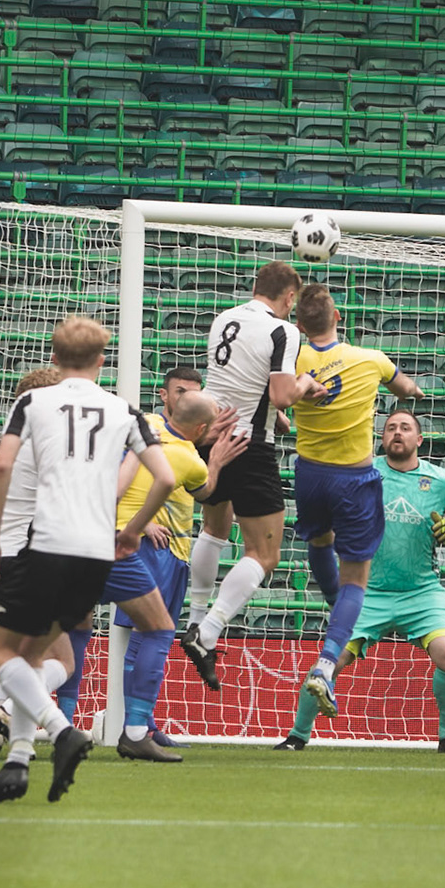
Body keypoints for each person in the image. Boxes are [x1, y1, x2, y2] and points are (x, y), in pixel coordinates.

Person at [0, 315, 176, 805]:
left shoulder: (34, 404)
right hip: (95, 557)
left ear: (54, 357)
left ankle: (60, 731)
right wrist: (133, 532)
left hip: (46, 548)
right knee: (41, 658)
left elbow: (3, 466)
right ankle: (16, 765)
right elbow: (164, 478)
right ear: (102, 360)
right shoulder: (124, 411)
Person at [282, 407, 445, 751]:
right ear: (381, 437)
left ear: (419, 439)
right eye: (390, 427)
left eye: (405, 428)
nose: (397, 432)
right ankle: (296, 737)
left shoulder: (440, 480)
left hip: (421, 592)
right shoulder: (365, 474)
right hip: (366, 592)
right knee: (328, 664)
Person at [284, 283, 423, 726]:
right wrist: (413, 392)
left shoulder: (292, 361)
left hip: (309, 474)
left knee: (320, 542)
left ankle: (335, 611)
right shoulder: (371, 358)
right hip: (354, 479)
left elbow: (277, 399)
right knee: (357, 580)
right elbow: (406, 388)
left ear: (299, 324)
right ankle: (326, 664)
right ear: (338, 317)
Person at [180, 262, 318, 691]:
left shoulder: (225, 318)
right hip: (248, 445)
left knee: (214, 528)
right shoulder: (283, 330)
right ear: (289, 297)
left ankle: (195, 618)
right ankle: (208, 633)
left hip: (211, 435)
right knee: (265, 553)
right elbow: (282, 393)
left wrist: (274, 414)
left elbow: (239, 380)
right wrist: (306, 383)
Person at [103, 385, 245, 762]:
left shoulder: (144, 424)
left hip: (137, 539)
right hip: (153, 547)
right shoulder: (190, 460)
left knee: (88, 628)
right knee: (154, 634)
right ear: (199, 429)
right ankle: (137, 728)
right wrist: (216, 460)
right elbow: (206, 491)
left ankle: (140, 725)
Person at [0, 366, 82, 762]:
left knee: (10, 652)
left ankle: (4, 736)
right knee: (60, 660)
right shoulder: (53, 443)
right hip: (23, 558)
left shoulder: (11, 440)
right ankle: (12, 709)